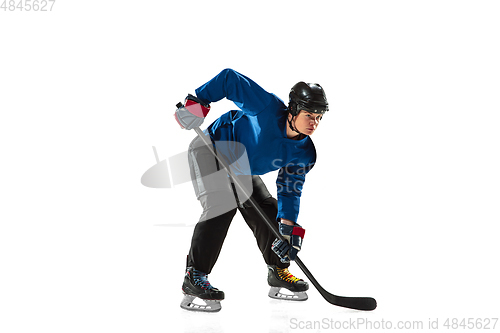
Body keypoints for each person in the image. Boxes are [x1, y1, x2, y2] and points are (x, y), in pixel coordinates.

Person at [174, 68, 329, 312]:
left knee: (269, 211)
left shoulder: (304, 152)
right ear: (294, 110)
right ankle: (194, 277)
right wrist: (198, 103)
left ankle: (277, 270)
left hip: (240, 166)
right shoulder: (266, 108)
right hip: (210, 148)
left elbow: (289, 191)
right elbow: (229, 79)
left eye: (319, 117)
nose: (314, 123)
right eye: (309, 115)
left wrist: (288, 232)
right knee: (221, 205)